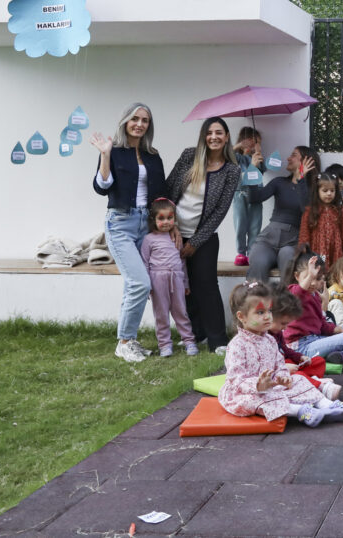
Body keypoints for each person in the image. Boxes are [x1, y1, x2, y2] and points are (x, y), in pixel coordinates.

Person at [219, 281, 343, 427]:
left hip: (272, 387)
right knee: (259, 399)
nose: (267, 316)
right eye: (260, 312)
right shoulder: (237, 346)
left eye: (269, 311)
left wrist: (283, 377)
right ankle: (300, 411)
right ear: (242, 317)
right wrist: (258, 385)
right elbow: (236, 379)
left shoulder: (269, 340)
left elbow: (279, 364)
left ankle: (327, 405)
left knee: (299, 380)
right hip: (246, 393)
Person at [90, 103, 167, 363]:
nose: (139, 124)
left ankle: (129, 341)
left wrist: (169, 226)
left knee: (133, 285)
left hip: (146, 224)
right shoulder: (113, 151)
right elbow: (102, 187)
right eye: (135, 119)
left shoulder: (153, 155)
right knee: (140, 283)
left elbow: (161, 193)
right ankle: (124, 342)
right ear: (125, 121)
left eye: (145, 120)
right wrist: (105, 155)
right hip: (120, 223)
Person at [165, 116, 241, 353]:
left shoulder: (232, 170)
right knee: (182, 286)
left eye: (219, 133)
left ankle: (218, 340)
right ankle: (196, 335)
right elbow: (168, 189)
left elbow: (220, 212)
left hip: (205, 237)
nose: (213, 137)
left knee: (206, 286)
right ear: (203, 136)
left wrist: (195, 242)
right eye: (209, 133)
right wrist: (170, 226)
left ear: (226, 137)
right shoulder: (189, 156)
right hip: (173, 233)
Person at [246, 146, 320, 282]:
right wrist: (253, 169)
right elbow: (254, 198)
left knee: (288, 261)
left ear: (306, 161)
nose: (288, 158)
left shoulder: (315, 189)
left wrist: (301, 179)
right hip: (268, 239)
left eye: (293, 155)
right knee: (258, 262)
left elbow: (306, 209)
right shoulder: (279, 182)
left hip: (292, 242)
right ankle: (256, 296)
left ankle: (287, 296)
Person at [282, 247, 343, 361]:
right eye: (308, 277)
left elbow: (322, 325)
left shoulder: (315, 296)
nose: (313, 283)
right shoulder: (292, 290)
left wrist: (340, 329)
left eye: (317, 278)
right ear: (297, 276)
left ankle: (334, 356)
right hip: (300, 348)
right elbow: (299, 293)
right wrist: (311, 275)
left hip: (314, 340)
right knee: (342, 340)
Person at [139, 198, 195, 357]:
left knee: (181, 311)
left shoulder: (176, 237)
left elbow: (182, 262)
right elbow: (144, 262)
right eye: (161, 218)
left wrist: (185, 283)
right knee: (161, 313)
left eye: (170, 218)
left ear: (175, 219)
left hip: (176, 279)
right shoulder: (148, 239)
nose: (166, 222)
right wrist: (147, 285)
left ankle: (189, 341)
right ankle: (164, 345)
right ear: (154, 220)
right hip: (158, 280)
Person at [269, 284, 341, 400]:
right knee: (297, 376)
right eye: (283, 323)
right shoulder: (265, 337)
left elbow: (286, 350)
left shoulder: (277, 332)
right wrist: (283, 367)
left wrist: (300, 357)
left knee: (318, 361)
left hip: (287, 364)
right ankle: (319, 386)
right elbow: (266, 364)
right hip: (279, 371)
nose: (285, 327)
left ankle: (311, 379)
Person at [299, 171, 343, 268]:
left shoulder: (340, 210)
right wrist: (304, 249)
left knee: (335, 272)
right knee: (320, 270)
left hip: (336, 250)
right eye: (325, 191)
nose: (329, 193)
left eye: (332, 190)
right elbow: (304, 232)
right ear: (317, 191)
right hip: (317, 250)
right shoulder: (310, 211)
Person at [232, 126, 264, 267]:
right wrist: (238, 146)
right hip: (239, 194)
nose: (256, 146)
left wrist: (257, 160)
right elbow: (225, 155)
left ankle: (252, 252)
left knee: (255, 225)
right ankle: (241, 253)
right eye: (254, 143)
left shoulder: (258, 159)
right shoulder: (237, 158)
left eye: (258, 143)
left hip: (256, 195)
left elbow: (262, 171)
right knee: (240, 224)